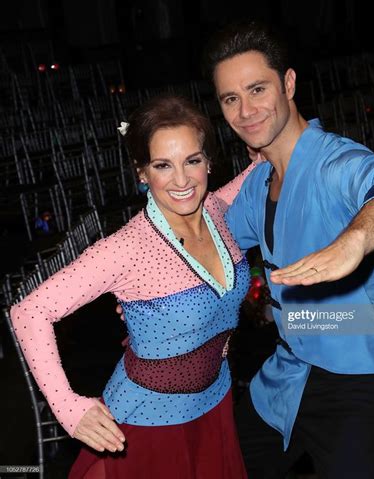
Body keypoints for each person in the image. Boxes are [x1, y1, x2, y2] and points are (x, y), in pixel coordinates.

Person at [201, 21, 374, 479]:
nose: (246, 111)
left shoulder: (333, 163)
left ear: (288, 83)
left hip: (356, 378)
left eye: (257, 89)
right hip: (287, 374)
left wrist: (355, 239)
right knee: (223, 464)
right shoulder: (260, 183)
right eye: (231, 99)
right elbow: (210, 240)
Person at [10, 94, 259, 478]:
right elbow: (28, 312)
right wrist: (67, 407)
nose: (181, 180)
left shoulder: (215, 210)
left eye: (192, 160)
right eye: (163, 165)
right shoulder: (126, 248)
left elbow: (248, 179)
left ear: (208, 161)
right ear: (142, 173)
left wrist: (268, 150)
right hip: (147, 424)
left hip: (216, 404)